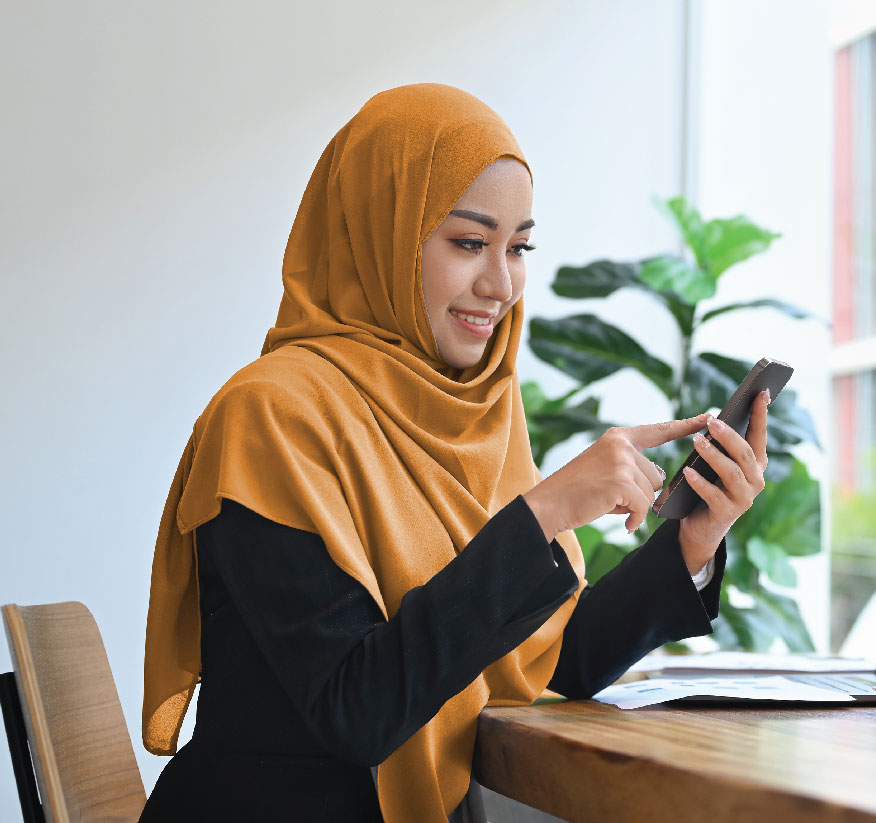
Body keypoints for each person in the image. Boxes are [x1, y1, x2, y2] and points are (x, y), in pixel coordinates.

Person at [138, 83, 772, 823]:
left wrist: (691, 540)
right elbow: (356, 708)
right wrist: (541, 513)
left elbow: (551, 656)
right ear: (381, 232)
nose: (501, 284)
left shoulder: (472, 414)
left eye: (519, 247)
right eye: (469, 242)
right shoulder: (268, 416)